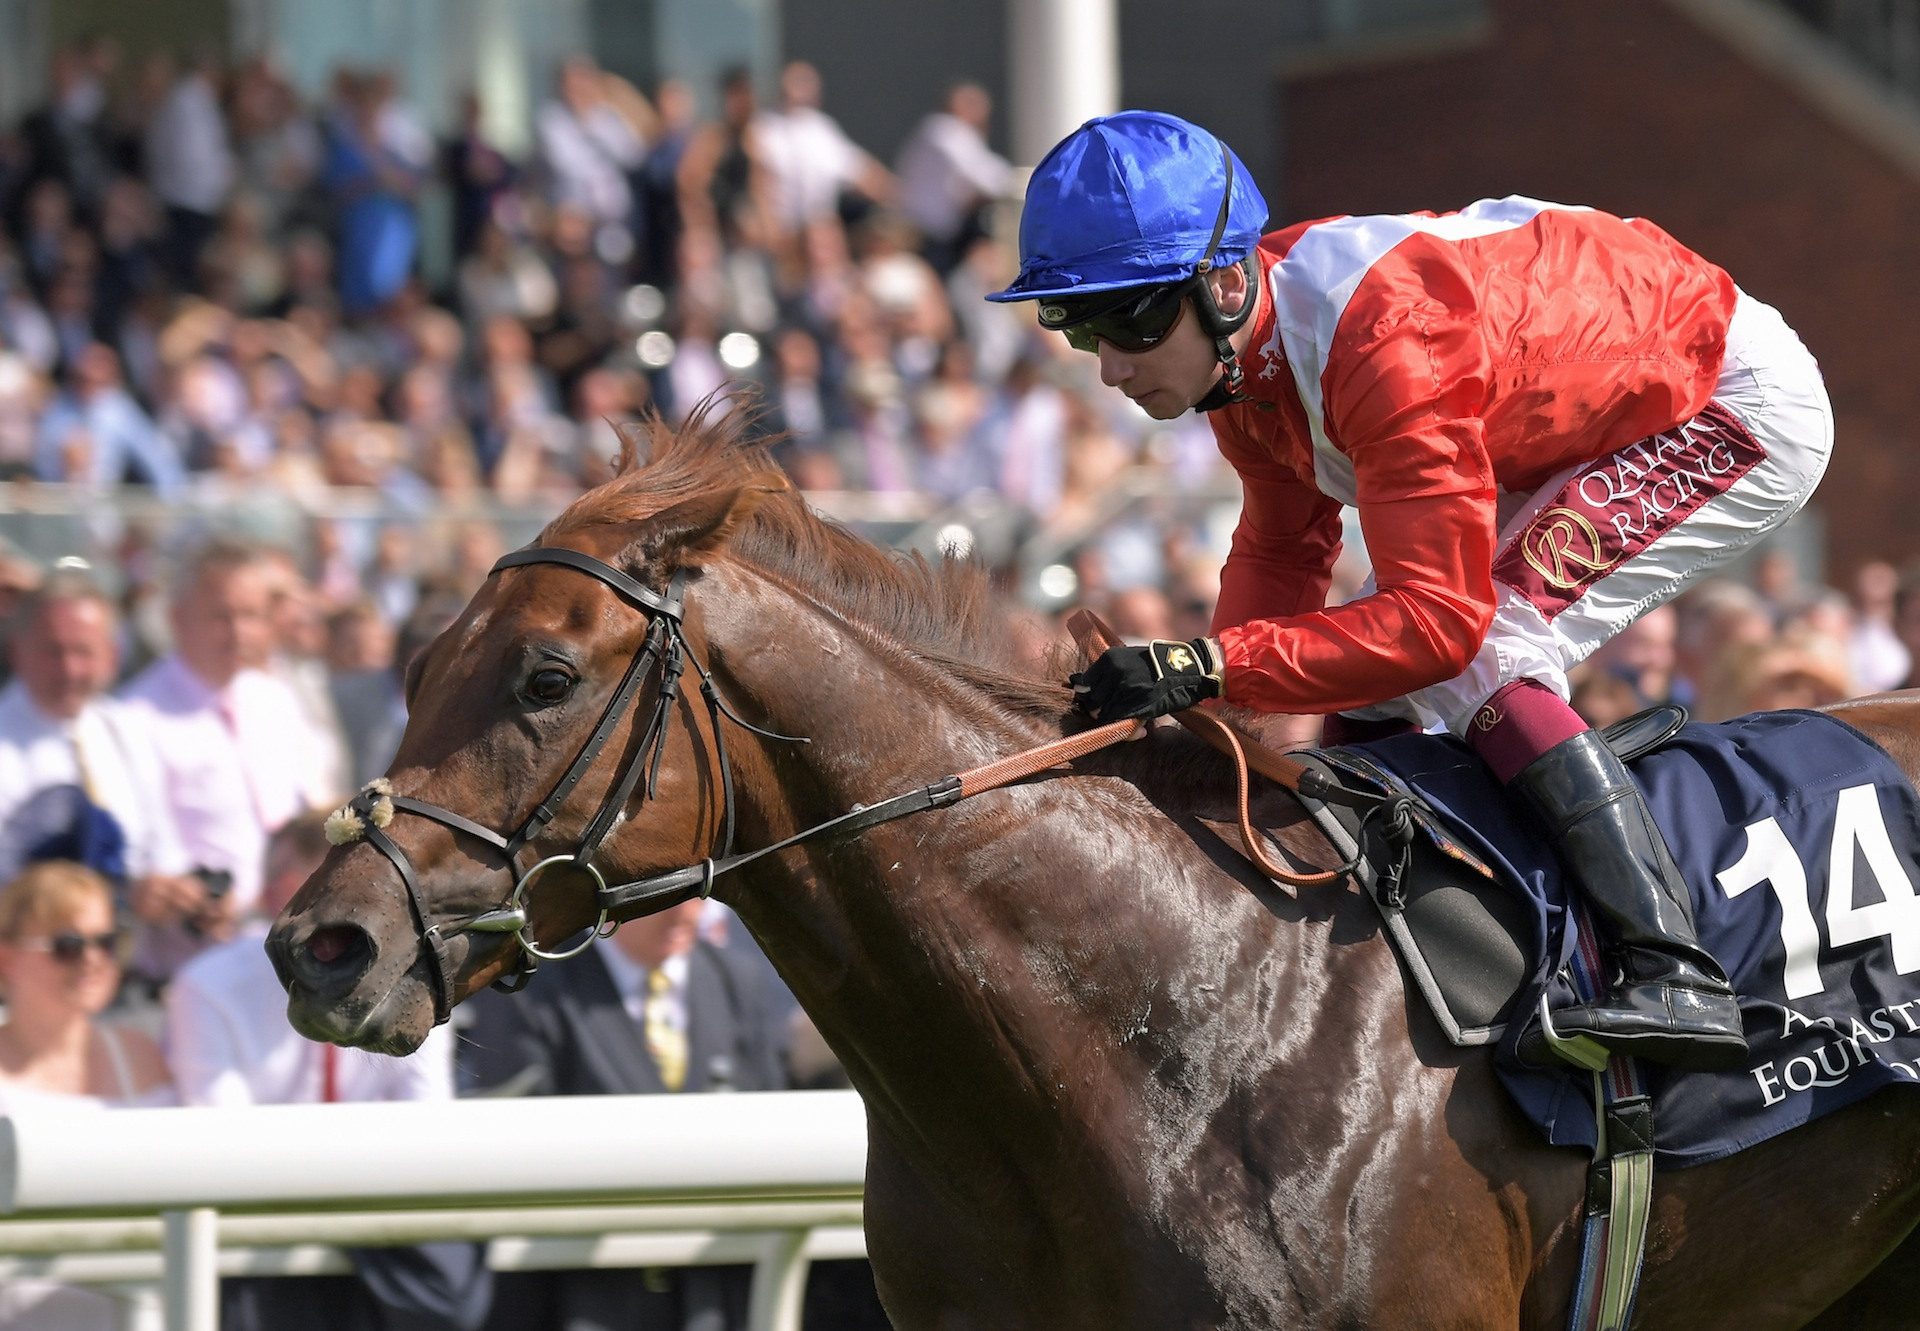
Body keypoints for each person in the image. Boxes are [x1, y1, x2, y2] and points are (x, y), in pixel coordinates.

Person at [993, 110, 1835, 1070]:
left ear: (1225, 281)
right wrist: (1205, 693)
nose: (1110, 365)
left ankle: (1673, 966)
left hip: (1722, 400)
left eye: (1131, 320)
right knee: (1379, 666)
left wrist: (1208, 661)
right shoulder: (1242, 369)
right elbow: (1280, 555)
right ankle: (1398, 930)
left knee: (1484, 643)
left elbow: (1438, 623)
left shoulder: (1381, 338)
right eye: (1077, 326)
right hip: (1577, 409)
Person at [165, 812, 485, 1331]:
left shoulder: (418, 979)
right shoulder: (208, 987)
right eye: (310, 896)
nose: (335, 918)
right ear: (271, 897)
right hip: (259, 1246)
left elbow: (426, 1122)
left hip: (386, 1231)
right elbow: (224, 1144)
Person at [461, 898, 788, 1331]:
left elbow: (773, 1130)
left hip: (716, 1294)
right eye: (668, 899)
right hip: (580, 1297)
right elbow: (514, 1145)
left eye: (696, 897)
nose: (685, 912)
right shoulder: (528, 987)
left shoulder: (734, 980)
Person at [115, 537, 337, 983]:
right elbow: (144, 851)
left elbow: (316, 810)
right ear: (177, 619)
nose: (239, 632)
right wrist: (194, 897)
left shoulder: (276, 699)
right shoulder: (133, 718)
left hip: (296, 958)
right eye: (221, 616)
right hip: (193, 968)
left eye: (251, 616)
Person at [0, 860, 175, 1329]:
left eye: (106, 941)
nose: (93, 959)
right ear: (6, 957)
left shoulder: (139, 1053)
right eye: (68, 945)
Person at [0, 570, 199, 935]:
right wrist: (122, 896)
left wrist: (183, 894)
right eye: (53, 651)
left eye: (84, 651)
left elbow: (163, 844)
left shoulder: (126, 727)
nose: (70, 669)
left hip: (133, 965)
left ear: (112, 655)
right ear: (17, 650)